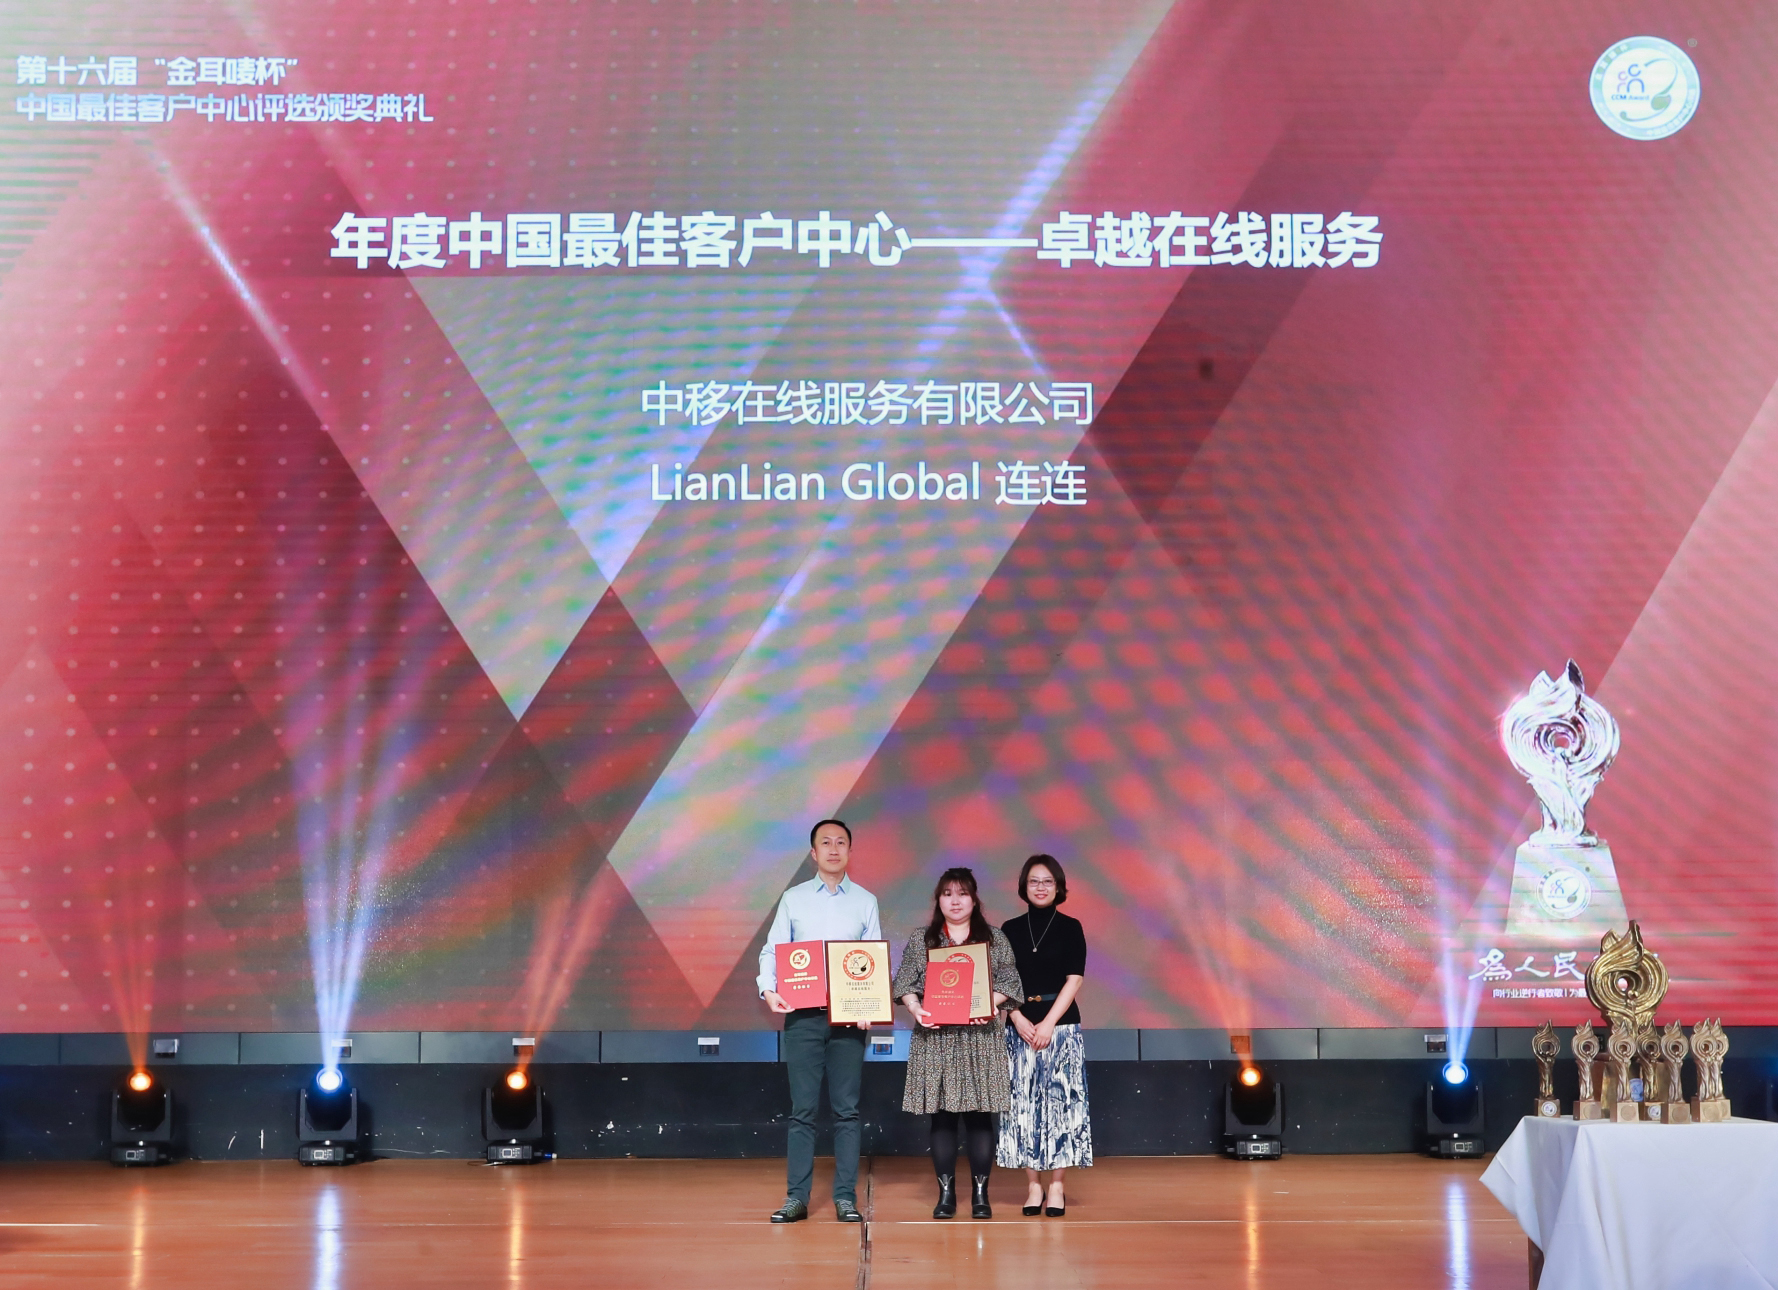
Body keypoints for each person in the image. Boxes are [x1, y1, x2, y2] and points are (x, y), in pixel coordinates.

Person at [758, 818, 881, 1225]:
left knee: (846, 1111)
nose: (833, 848)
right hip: (803, 1018)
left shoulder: (865, 901)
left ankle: (846, 1197)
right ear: (813, 853)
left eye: (840, 842)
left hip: (849, 1019)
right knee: (802, 1111)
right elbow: (772, 951)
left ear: (850, 851)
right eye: (825, 842)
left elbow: (872, 960)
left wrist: (870, 1005)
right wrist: (768, 989)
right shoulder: (793, 899)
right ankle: (796, 1198)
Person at [892, 867, 1023, 1221]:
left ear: (974, 899)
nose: (955, 901)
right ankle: (946, 1195)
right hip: (937, 1040)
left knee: (980, 1119)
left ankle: (981, 1195)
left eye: (962, 893)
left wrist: (990, 1004)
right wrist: (916, 1009)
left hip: (981, 1039)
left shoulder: (994, 939)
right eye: (947, 893)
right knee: (943, 1118)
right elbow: (904, 982)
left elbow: (1011, 981)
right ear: (938, 900)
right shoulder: (923, 939)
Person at [998, 854, 1092, 1216]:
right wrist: (1016, 1017)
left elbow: (1074, 980)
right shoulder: (1009, 929)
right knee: (1023, 1106)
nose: (1040, 887)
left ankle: (1056, 1187)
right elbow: (1002, 982)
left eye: (1047, 881)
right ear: (1024, 886)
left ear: (1058, 887)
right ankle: (1033, 1187)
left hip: (1061, 1026)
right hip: (1019, 1026)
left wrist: (1049, 1023)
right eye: (1034, 881)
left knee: (1061, 1106)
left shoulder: (1071, 927)